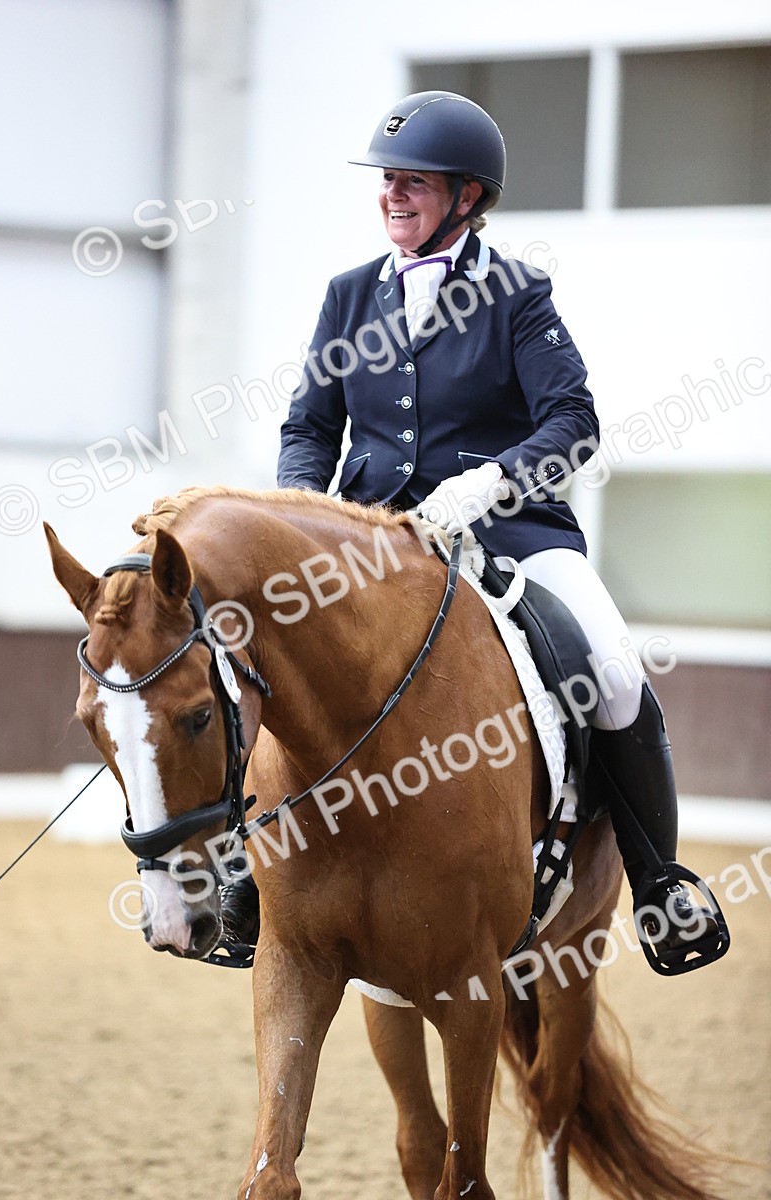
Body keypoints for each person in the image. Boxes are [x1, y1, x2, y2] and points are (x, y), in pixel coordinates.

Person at [233, 90, 725, 973]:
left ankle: (660, 886)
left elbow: (572, 421)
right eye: (388, 180)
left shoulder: (517, 294)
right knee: (266, 659)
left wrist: (489, 483)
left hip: (511, 532)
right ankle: (243, 872)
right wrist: (305, 516)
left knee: (615, 675)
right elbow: (309, 426)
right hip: (375, 536)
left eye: (413, 182)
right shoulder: (349, 296)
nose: (392, 195)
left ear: (467, 195)